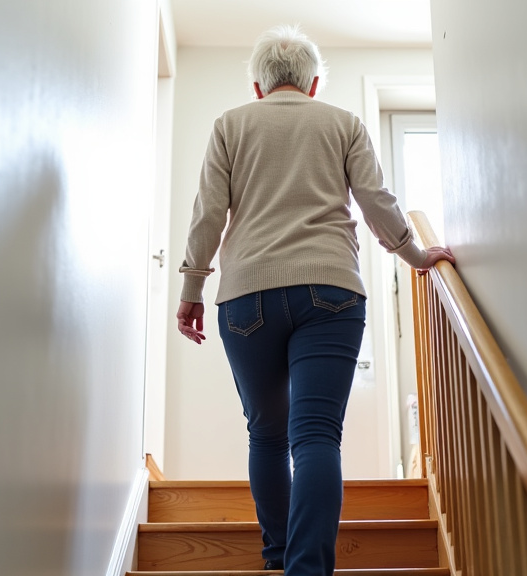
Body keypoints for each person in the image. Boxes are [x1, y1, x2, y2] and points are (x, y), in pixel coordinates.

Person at [175, 24, 454, 576]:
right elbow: (376, 201)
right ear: (314, 83)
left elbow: (208, 214)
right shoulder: (342, 123)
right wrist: (416, 255)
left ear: (258, 87)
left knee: (268, 433)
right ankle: (307, 569)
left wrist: (192, 290)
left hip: (247, 295)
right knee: (317, 436)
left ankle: (278, 557)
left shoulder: (230, 124)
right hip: (331, 288)